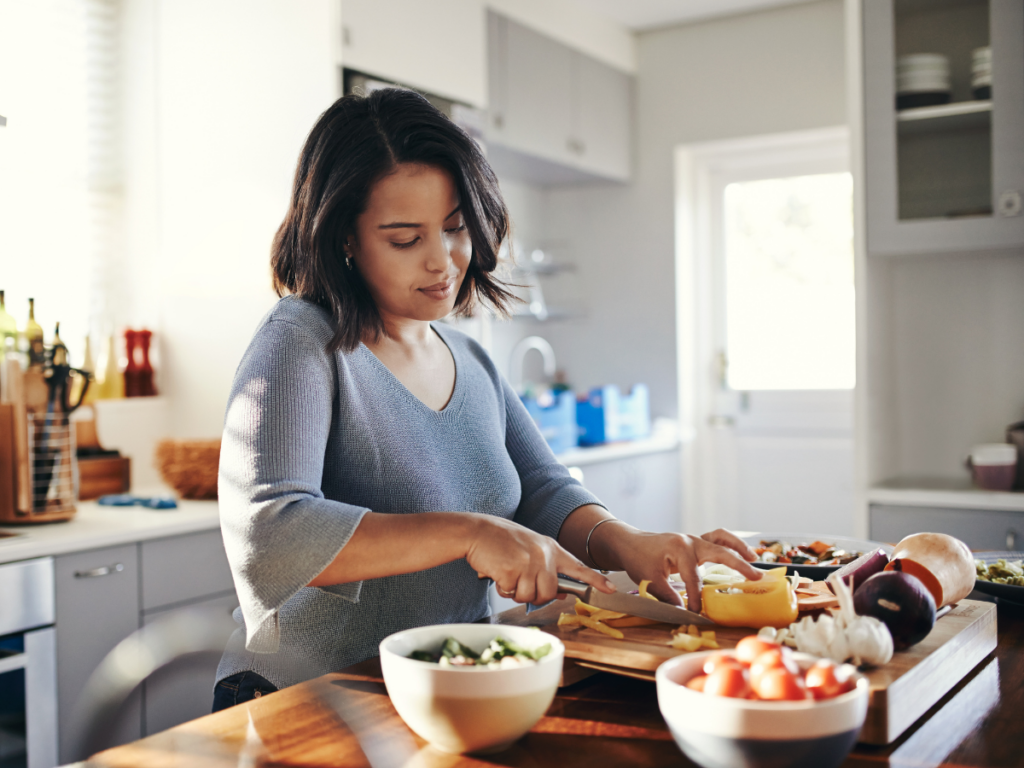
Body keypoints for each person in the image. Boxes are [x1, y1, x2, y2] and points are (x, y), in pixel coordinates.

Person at [212, 88, 761, 711]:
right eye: (403, 239)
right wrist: (470, 533)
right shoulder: (300, 341)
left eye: (454, 228)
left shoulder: (468, 358)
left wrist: (626, 544)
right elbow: (268, 532)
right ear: (344, 238)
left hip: (442, 691)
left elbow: (544, 491)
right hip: (308, 697)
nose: (443, 261)